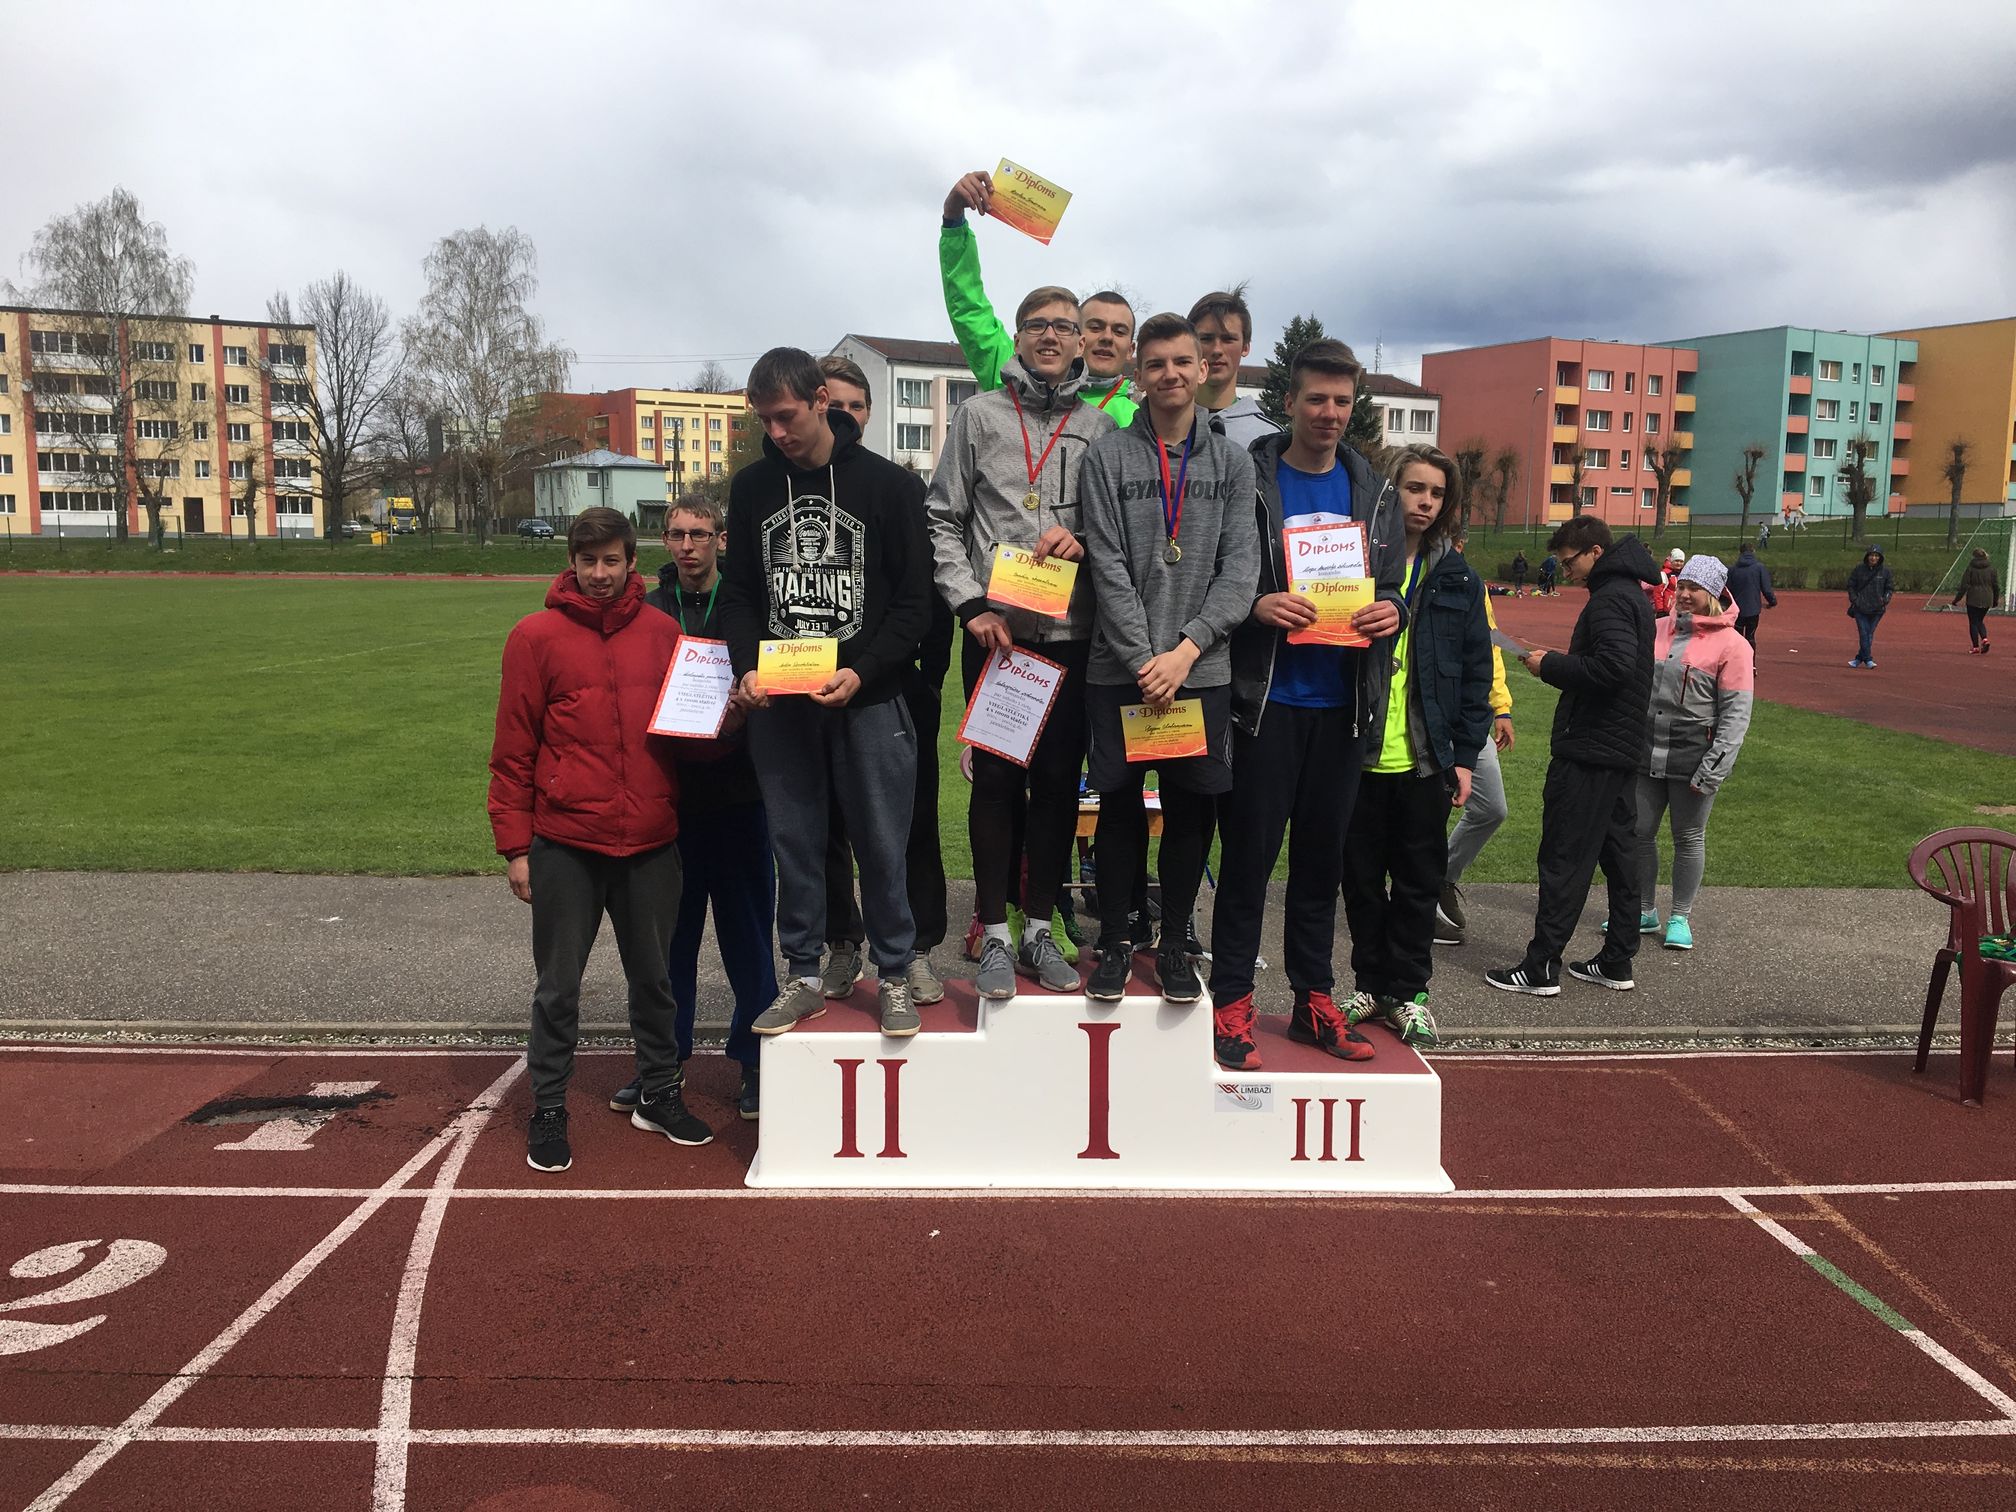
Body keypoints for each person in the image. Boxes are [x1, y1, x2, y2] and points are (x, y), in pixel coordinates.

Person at [489, 506, 720, 1173]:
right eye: (587, 561)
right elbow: (513, 751)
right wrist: (516, 848)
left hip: (649, 839)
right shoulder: (533, 637)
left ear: (630, 561)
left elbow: (687, 735)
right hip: (566, 842)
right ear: (571, 562)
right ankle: (549, 1106)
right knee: (558, 988)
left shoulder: (664, 631)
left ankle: (659, 1091)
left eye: (611, 561)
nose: (599, 574)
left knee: (655, 981)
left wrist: (727, 717)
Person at [718, 347, 934, 1039]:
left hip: (867, 699)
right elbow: (740, 592)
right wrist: (747, 667)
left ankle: (894, 972)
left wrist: (864, 671)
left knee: (882, 844)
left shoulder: (889, 486)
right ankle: (804, 975)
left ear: (820, 400)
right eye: (765, 419)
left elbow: (915, 603)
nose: (777, 431)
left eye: (786, 416)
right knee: (796, 844)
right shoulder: (753, 488)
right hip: (781, 704)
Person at [1211, 338, 1405, 1069]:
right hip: (1266, 703)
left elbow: (1394, 586)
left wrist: (1393, 611)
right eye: (1316, 399)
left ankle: (1312, 1002)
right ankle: (1232, 1002)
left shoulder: (1374, 491)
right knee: (1249, 863)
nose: (1329, 412)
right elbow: (1221, 575)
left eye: (1341, 401)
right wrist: (1257, 606)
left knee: (1322, 865)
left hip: (1343, 707)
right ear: (1288, 401)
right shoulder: (1250, 477)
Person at [927, 285, 1115, 996]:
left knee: (1059, 788)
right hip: (998, 638)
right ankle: (995, 933)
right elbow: (942, 518)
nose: (1050, 337)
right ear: (1018, 335)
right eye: (1037, 325)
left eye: (1063, 326)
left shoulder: (1100, 427)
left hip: (1071, 636)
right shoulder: (978, 415)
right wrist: (969, 604)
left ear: (1080, 341)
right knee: (997, 786)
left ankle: (1039, 927)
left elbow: (1117, 530)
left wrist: (1086, 538)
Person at [1080, 312, 1259, 1003]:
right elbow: (1107, 566)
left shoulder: (1232, 462)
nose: (1170, 374)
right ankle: (1117, 937)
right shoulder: (1107, 457)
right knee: (1118, 808)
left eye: (1182, 361)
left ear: (1203, 367)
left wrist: (1185, 652)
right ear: (1138, 374)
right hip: (1121, 671)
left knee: (1190, 810)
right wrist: (1144, 659)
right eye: (1155, 364)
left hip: (1199, 670)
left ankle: (1178, 938)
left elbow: (1239, 572)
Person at [597, 499, 774, 1124]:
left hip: (741, 794)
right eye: (676, 534)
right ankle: (662, 1062)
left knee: (748, 938)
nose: (687, 546)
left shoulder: (745, 605)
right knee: (669, 944)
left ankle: (756, 1063)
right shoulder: (646, 610)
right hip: (670, 798)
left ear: (720, 539)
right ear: (664, 541)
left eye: (699, 534)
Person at [813, 354, 954, 1007]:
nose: (843, 416)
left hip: (896, 687)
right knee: (828, 824)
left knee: (911, 821)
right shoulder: (793, 487)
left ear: (868, 413)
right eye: (833, 403)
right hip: (814, 684)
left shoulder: (896, 487)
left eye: (855, 406)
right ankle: (842, 941)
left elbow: (927, 588)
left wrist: (929, 675)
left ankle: (916, 949)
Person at [1340, 445, 1492, 1049]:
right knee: (1359, 880)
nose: (1425, 502)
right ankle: (1370, 985)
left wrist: (1464, 757)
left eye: (1436, 493)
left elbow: (1476, 674)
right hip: (1359, 751)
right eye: (1414, 488)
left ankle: (1409, 992)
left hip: (1425, 757)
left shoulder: (1458, 577)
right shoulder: (1353, 561)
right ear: (1391, 490)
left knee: (1417, 882)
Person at [1485, 514, 1658, 996]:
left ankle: (1541, 966)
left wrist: (1552, 666)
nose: (1565, 571)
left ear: (1596, 552)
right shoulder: (1631, 594)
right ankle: (1617, 959)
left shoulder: (1610, 599)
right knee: (1620, 856)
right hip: (1619, 747)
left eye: (1569, 562)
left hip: (1591, 747)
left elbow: (1613, 668)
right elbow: (1617, 663)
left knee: (1564, 857)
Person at [940, 169, 1137, 424]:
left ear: (1131, 349)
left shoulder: (1141, 421)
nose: (1107, 337)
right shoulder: (1016, 380)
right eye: (1096, 326)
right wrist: (954, 222)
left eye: (1119, 331)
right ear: (1079, 338)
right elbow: (971, 311)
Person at [1634, 554, 1754, 953]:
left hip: (1694, 758)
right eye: (1682, 586)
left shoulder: (1734, 646)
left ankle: (1680, 917)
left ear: (1713, 594)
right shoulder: (1655, 629)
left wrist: (1714, 768)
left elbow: (1735, 715)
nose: (1684, 595)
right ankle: (1643, 910)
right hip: (1646, 751)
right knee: (1638, 833)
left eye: (1694, 589)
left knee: (1687, 837)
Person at [1437, 525, 1516, 948]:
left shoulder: (1471, 584)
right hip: (1423, 717)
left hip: (1468, 717)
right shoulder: (1403, 573)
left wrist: (1500, 706)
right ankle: (1416, 907)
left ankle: (1442, 878)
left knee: (1491, 808)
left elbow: (1489, 648)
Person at [1190, 286, 1280, 449]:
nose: (1217, 349)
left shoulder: (1271, 439)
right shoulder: (1161, 426)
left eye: (1228, 339)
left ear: (1245, 347)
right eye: (1206, 339)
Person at [1847, 545, 1894, 668]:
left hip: (1877, 608)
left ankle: (1859, 658)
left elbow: (1889, 588)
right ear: (1867, 556)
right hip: (1861, 607)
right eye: (1871, 555)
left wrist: (1885, 599)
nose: (1873, 558)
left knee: (1869, 633)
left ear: (1880, 558)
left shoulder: (1885, 572)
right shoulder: (1859, 569)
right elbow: (1851, 585)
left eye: (1876, 556)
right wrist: (1855, 599)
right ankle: (1868, 659)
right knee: (1864, 633)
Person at [1725, 542, 1776, 647]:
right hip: (1753, 609)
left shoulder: (1733, 569)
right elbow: (1766, 589)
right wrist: (1772, 601)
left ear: (1740, 552)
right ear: (1753, 551)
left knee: (1737, 638)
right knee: (1750, 637)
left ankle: (1737, 657)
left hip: (1737, 609)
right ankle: (1751, 657)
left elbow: (1728, 590)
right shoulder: (1759, 568)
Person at [1954, 546, 2001, 654]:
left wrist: (1957, 599)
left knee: (1973, 622)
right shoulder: (1992, 569)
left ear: (1974, 556)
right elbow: (1996, 586)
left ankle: (1975, 646)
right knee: (1979, 620)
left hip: (1973, 598)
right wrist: (1995, 600)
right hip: (1987, 598)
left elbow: (1964, 585)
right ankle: (1985, 639)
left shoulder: (1970, 568)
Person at [1652, 547, 1684, 616]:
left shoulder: (1683, 574)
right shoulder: (1665, 574)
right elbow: (1658, 592)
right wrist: (1660, 609)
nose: (1679, 563)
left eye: (1681, 561)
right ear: (1672, 561)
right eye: (1676, 561)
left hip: (1679, 609)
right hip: (1666, 610)